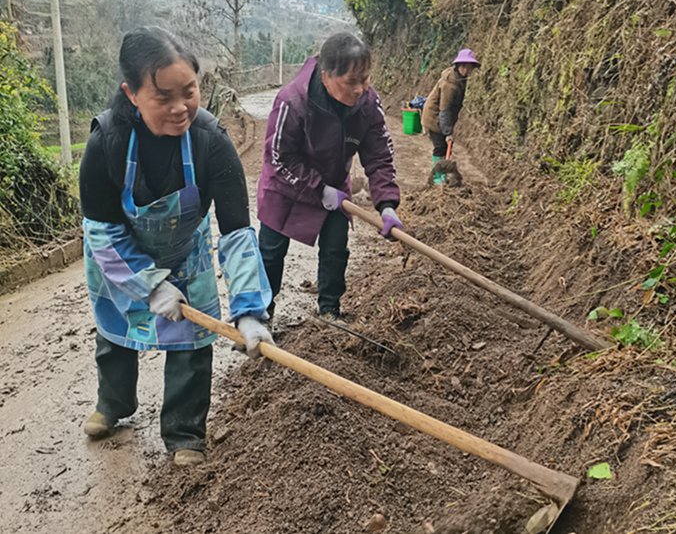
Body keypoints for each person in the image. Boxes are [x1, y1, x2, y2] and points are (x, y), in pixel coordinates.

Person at [79, 26, 274, 467]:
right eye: (163, 97)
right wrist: (149, 285)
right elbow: (101, 231)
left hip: (184, 251)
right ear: (131, 94)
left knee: (191, 342)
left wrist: (248, 309)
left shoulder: (211, 141)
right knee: (116, 333)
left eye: (189, 91)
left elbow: (238, 233)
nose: (180, 107)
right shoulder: (106, 143)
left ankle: (185, 433)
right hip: (121, 254)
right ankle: (113, 404)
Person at [256, 32, 402, 321]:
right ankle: (261, 314)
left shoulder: (368, 104)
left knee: (335, 249)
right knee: (270, 253)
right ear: (325, 76)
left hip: (335, 186)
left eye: (365, 79)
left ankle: (329, 313)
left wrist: (387, 205)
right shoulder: (292, 101)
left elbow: (379, 156)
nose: (360, 89)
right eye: (351, 81)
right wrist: (317, 189)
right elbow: (278, 158)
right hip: (287, 186)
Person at [421, 48, 480, 183]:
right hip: (434, 117)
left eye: (472, 68)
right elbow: (445, 110)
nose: (471, 71)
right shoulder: (450, 84)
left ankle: (443, 176)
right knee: (440, 147)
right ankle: (437, 179)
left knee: (446, 147)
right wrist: (447, 132)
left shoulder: (460, 79)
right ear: (461, 66)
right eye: (469, 68)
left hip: (442, 118)